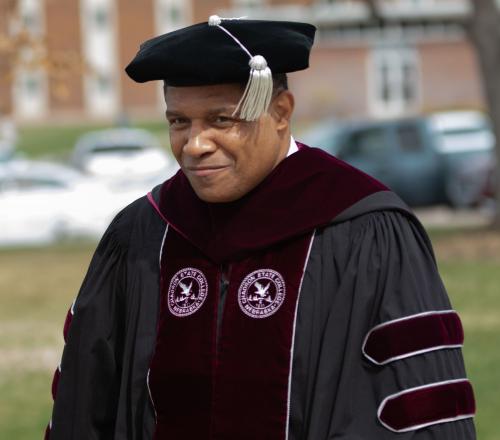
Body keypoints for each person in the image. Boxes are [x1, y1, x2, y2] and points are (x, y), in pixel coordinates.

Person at [45, 16, 476, 439]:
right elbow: (85, 400)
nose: (195, 145)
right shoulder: (144, 231)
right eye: (179, 122)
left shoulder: (364, 229)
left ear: (282, 112)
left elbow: (414, 408)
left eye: (220, 120)